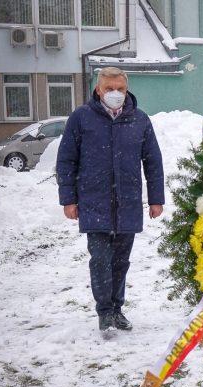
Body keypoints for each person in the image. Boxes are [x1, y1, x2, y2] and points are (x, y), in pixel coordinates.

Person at [57, 67, 164, 337]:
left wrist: (156, 199)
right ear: (98, 90)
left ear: (126, 90)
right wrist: (68, 199)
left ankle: (117, 309)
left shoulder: (139, 120)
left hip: (127, 203)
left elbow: (153, 161)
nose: (115, 94)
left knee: (121, 262)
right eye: (109, 89)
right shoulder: (81, 118)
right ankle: (104, 312)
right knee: (100, 260)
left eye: (120, 89)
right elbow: (66, 160)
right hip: (94, 202)